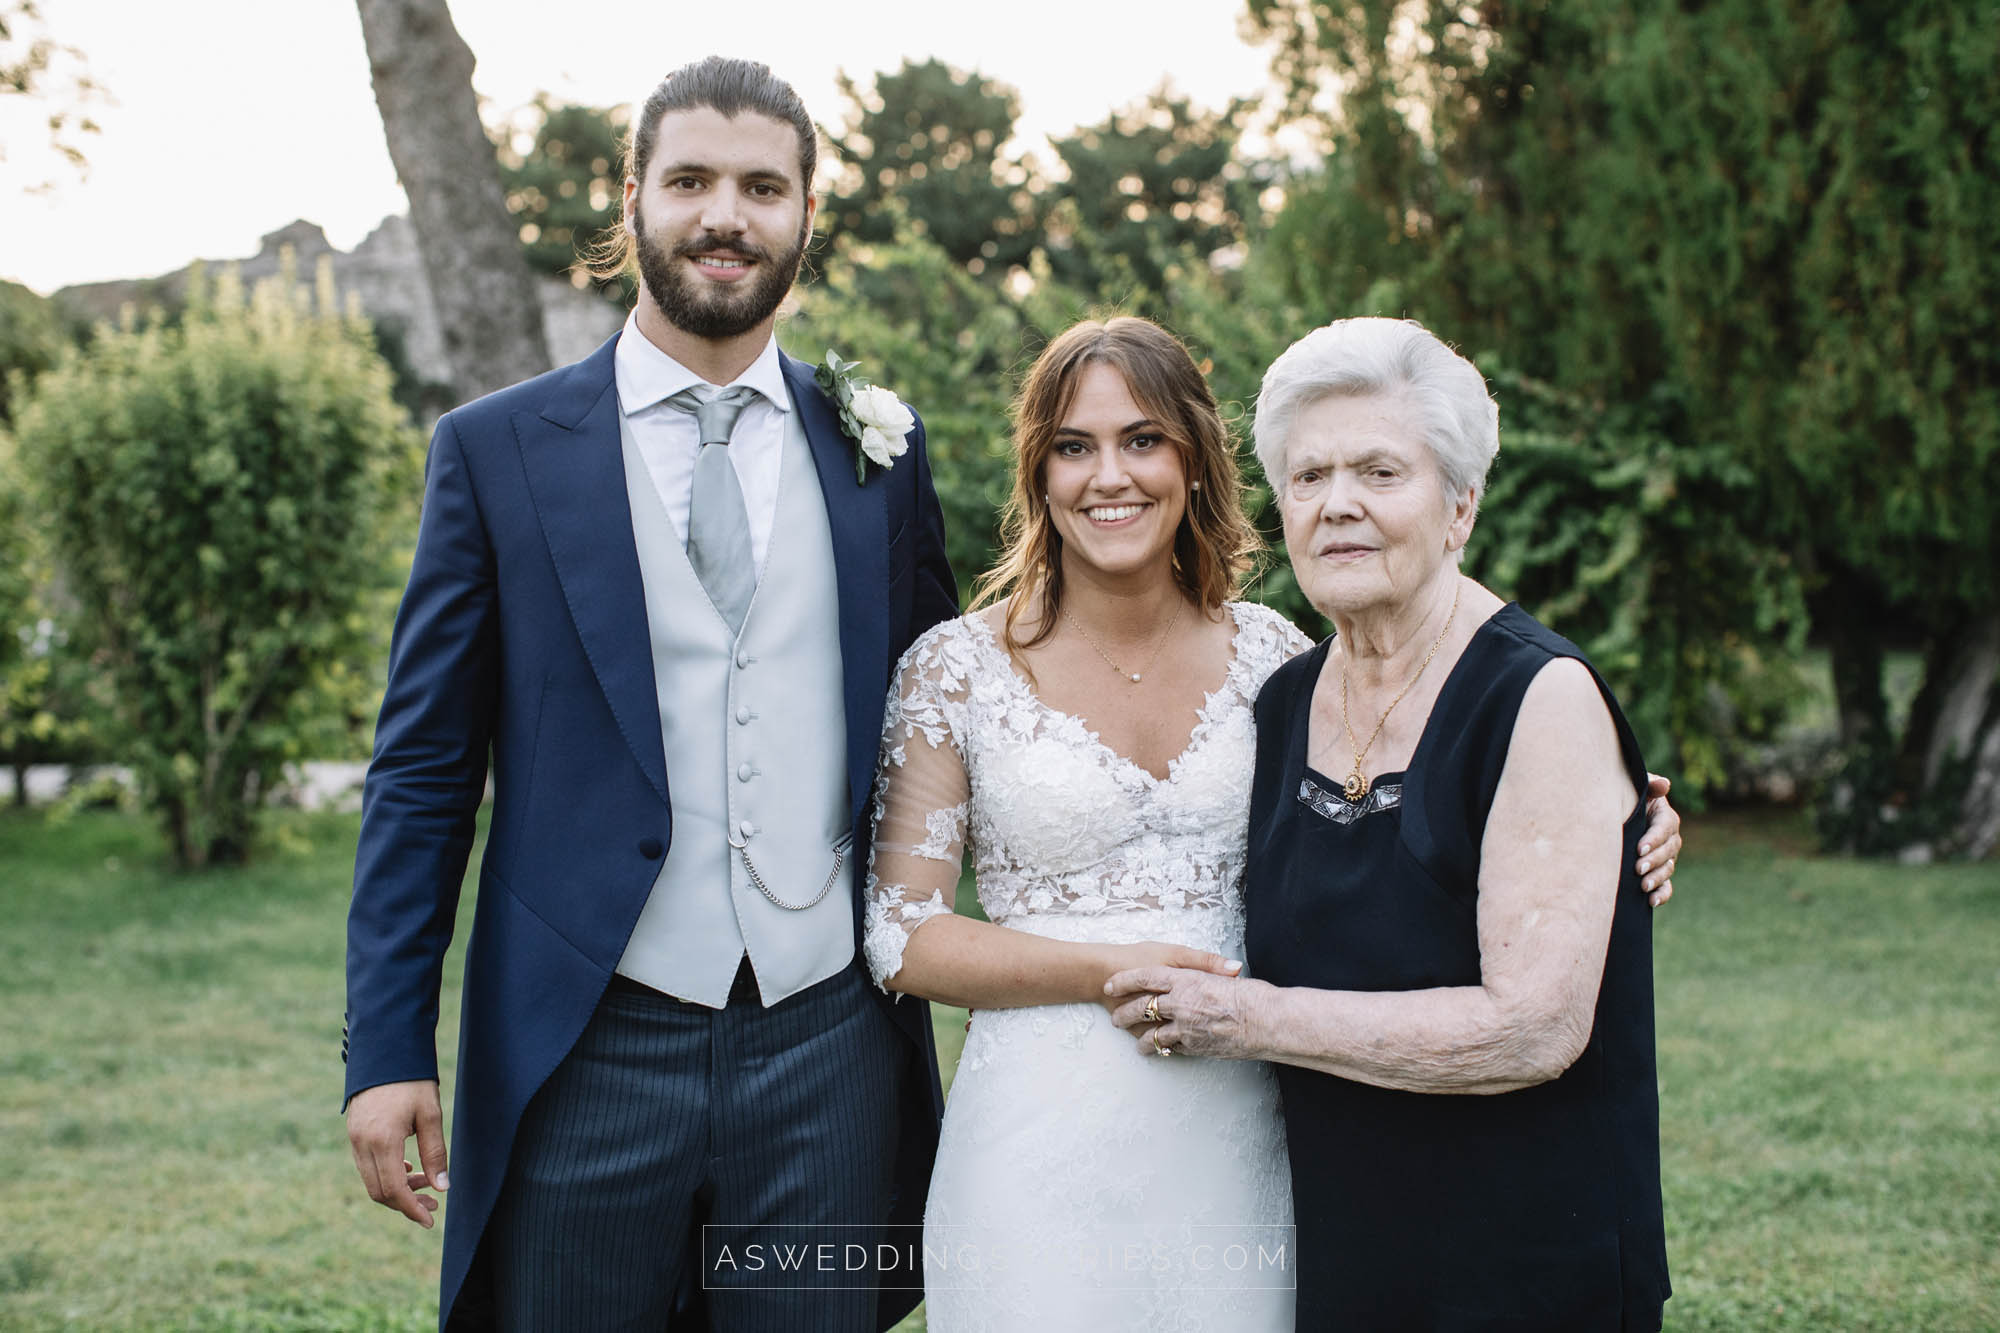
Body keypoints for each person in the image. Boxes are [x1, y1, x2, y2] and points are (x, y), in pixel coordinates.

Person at [864, 317, 1680, 1330]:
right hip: (1047, 1131)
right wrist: (1116, 968)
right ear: (1035, 472)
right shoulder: (979, 669)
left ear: (1197, 464)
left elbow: (1430, 807)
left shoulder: (1271, 656)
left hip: (1262, 1134)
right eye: (1072, 446)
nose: (1107, 474)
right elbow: (901, 930)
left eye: (1143, 439)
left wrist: (1599, 793)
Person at [342, 57, 956, 1331]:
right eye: (688, 180)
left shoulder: (876, 457)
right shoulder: (496, 450)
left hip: (827, 1044)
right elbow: (422, 770)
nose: (723, 215)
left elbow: (942, 701)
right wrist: (389, 1043)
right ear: (631, 203)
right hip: (586, 1043)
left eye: (760, 187)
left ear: (803, 217)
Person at [1106, 316, 1676, 1330]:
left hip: (1524, 1259)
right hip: (1341, 1248)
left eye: (1378, 471)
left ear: (1459, 505)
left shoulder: (1535, 696)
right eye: (1308, 475)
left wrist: (1247, 1021)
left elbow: (1532, 1028)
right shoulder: (1281, 703)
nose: (1337, 506)